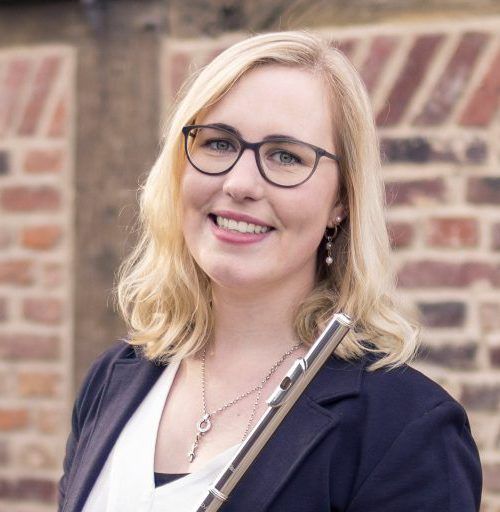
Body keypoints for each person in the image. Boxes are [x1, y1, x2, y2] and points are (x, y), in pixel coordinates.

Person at [58, 31, 482, 512]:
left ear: (341, 201)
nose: (240, 183)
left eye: (286, 156)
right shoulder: (112, 380)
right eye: (219, 143)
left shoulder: (406, 429)